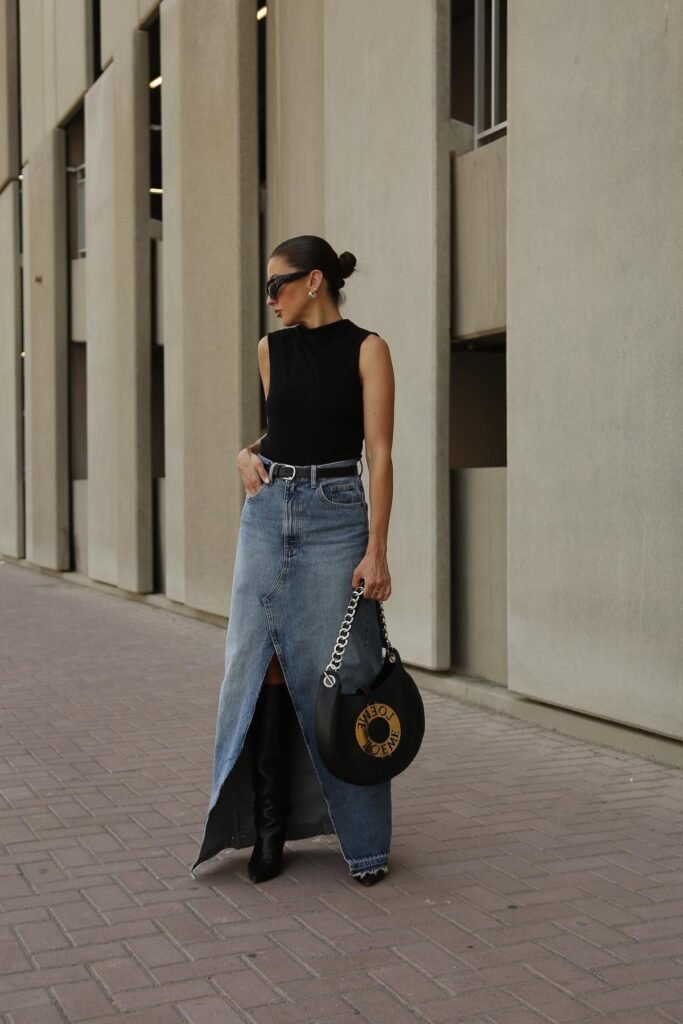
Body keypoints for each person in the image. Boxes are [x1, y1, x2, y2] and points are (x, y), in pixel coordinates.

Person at [190, 234, 395, 886]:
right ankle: (267, 829)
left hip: (337, 517)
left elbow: (379, 453)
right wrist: (243, 452)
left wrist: (377, 550)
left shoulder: (368, 349)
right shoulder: (269, 349)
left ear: (313, 282)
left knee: (348, 673)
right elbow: (284, 428)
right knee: (255, 665)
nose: (269, 297)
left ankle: (363, 843)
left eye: (276, 284)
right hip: (267, 510)